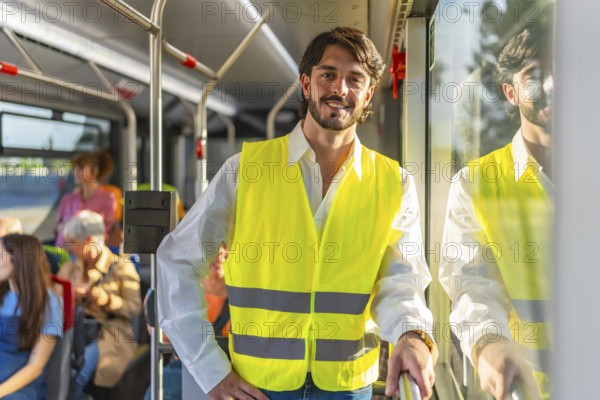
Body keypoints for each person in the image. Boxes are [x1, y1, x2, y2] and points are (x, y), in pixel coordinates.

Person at [157, 27, 437, 400]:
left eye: (355, 79)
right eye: (328, 75)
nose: (340, 88)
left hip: (347, 387)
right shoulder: (246, 170)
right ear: (306, 84)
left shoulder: (393, 182)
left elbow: (401, 281)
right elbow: (177, 260)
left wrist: (412, 334)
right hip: (257, 386)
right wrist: (209, 370)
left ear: (369, 93)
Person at [439, 19, 553, 400]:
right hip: (532, 388)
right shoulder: (476, 184)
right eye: (536, 75)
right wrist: (489, 343)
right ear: (511, 92)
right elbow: (473, 286)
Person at [57, 210, 141, 399]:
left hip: (109, 334)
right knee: (58, 371)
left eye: (73, 242)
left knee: (77, 374)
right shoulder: (69, 268)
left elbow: (134, 308)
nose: (69, 247)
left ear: (88, 240)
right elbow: (55, 302)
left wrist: (106, 299)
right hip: (73, 331)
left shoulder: (121, 268)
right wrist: (71, 295)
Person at [0, 234, 63, 399]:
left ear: (19, 260)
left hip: (19, 387)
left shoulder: (49, 302)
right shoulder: (2, 293)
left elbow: (35, 367)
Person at [54, 150, 117, 248]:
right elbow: (57, 227)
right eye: (75, 168)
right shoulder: (67, 199)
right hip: (62, 252)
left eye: (80, 168)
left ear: (94, 171)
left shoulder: (108, 198)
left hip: (91, 254)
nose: (75, 172)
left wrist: (72, 226)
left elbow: (106, 230)